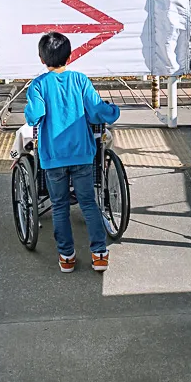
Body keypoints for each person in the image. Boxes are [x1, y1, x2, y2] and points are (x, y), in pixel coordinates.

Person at [24, 31, 121, 273]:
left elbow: (34, 116)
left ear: (41, 58)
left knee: (59, 206)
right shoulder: (80, 80)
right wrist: (113, 110)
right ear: (69, 56)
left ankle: (66, 256)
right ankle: (99, 254)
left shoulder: (38, 85)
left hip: (53, 156)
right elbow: (97, 111)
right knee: (88, 202)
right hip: (82, 153)